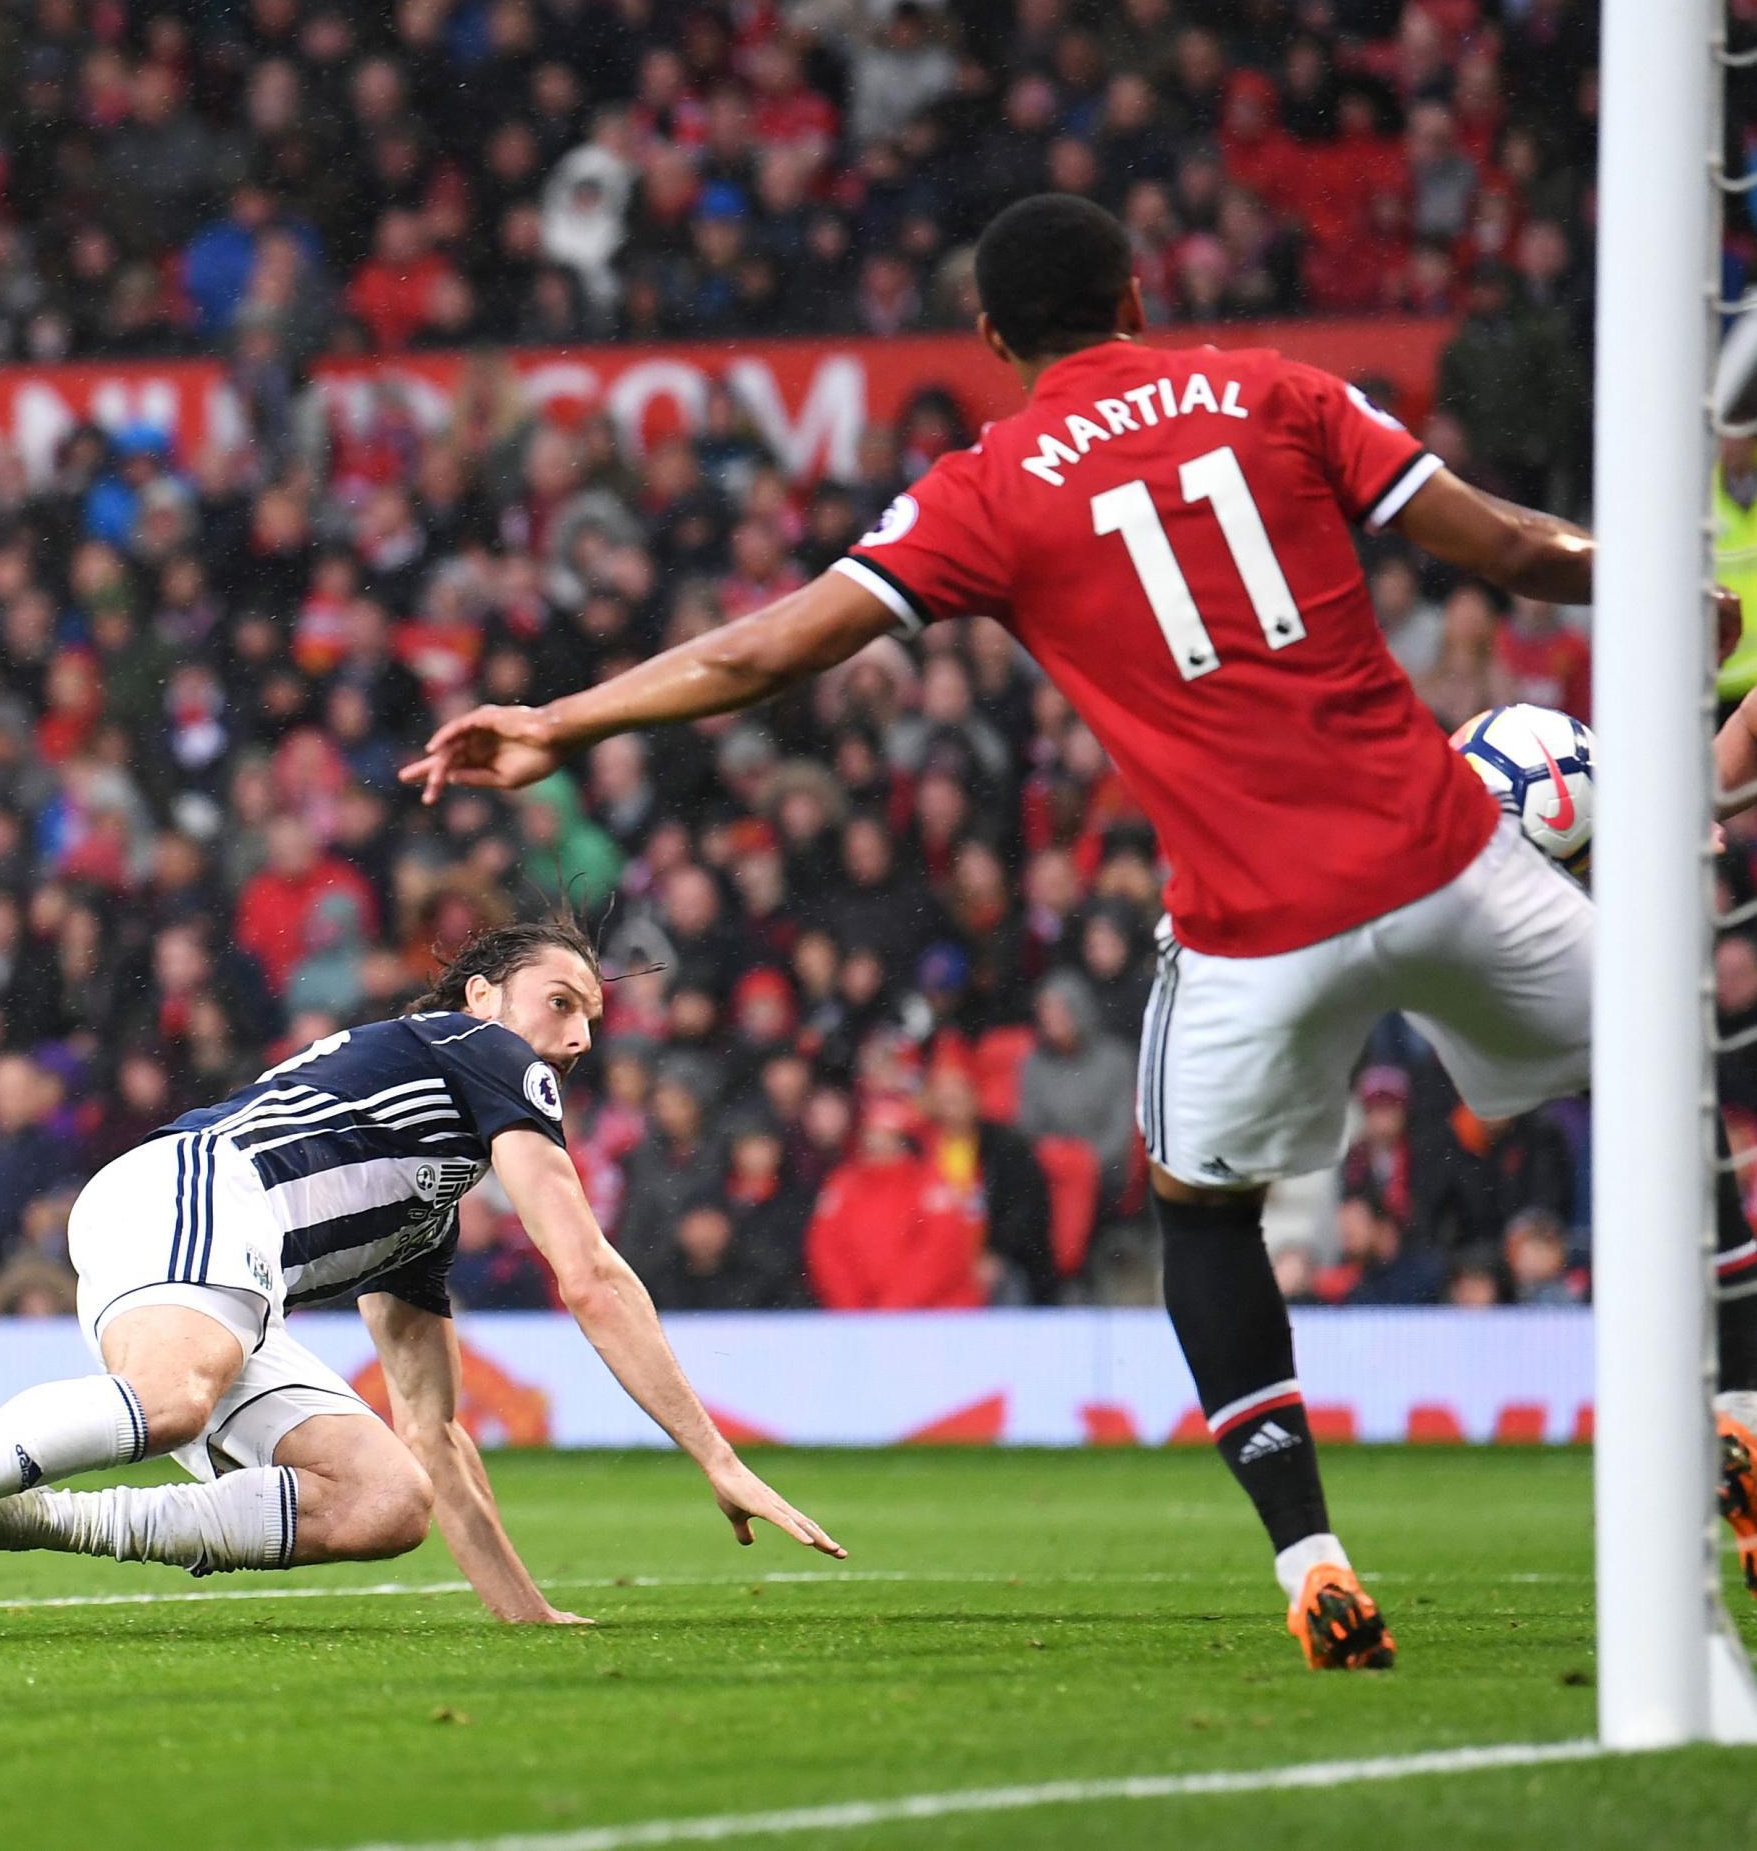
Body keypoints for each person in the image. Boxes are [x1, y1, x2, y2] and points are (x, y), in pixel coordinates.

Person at [405, 193, 1647, 1671]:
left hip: (1255, 923)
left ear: (992, 339)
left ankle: (1310, 1553)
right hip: (1445, 848)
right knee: (1676, 1079)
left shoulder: (987, 487)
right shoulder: (1280, 390)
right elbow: (1509, 544)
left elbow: (763, 649)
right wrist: (1656, 583)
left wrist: (557, 715)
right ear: (1137, 287)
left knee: (1200, 1214)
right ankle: (1737, 1412)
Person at [0, 918, 841, 1644]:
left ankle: (31, 1517)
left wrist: (528, 1617)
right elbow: (589, 1274)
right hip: (197, 1188)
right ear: (482, 995)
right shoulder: (479, 1049)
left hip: (216, 1264)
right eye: (560, 1003)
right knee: (175, 1397)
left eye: (592, 1020)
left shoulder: (423, 1193)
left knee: (384, 1500)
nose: (575, 1037)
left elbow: (436, 1432)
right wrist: (715, 1454)